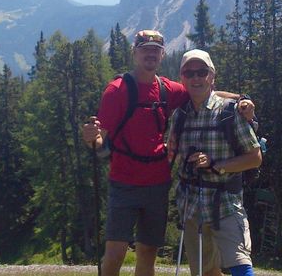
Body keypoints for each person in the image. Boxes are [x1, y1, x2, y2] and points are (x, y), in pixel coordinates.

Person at [82, 30, 249, 276]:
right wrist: (91, 138)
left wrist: (241, 100)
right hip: (123, 182)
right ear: (135, 53)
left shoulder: (166, 89)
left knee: (147, 253)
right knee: (115, 253)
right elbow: (99, 139)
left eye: (155, 50)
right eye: (144, 49)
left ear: (161, 55)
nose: (150, 53)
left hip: (157, 184)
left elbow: (202, 92)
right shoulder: (116, 90)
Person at [168, 49, 261, 276]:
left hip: (226, 204)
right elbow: (171, 154)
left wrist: (214, 164)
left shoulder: (231, 113)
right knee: (205, 271)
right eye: (189, 73)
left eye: (202, 72)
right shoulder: (179, 116)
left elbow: (255, 158)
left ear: (212, 76)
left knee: (240, 266)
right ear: (182, 78)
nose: (196, 78)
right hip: (191, 208)